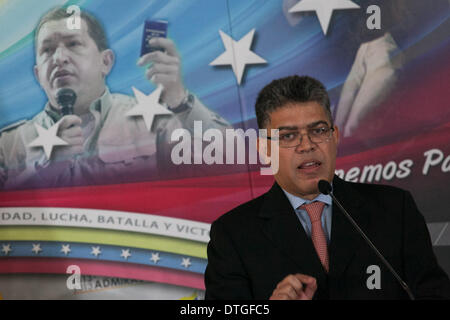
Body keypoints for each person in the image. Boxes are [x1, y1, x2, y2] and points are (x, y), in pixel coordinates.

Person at [204, 75, 450, 300]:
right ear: (264, 149)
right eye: (289, 136)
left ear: (335, 137)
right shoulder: (232, 235)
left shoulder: (396, 209)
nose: (307, 145)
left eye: (318, 130)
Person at [0, 7, 230, 189]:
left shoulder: (154, 123)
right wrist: (46, 169)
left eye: (73, 44)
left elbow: (231, 168)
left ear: (106, 61)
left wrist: (179, 99)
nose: (59, 57)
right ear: (38, 74)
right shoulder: (9, 144)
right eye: (47, 50)